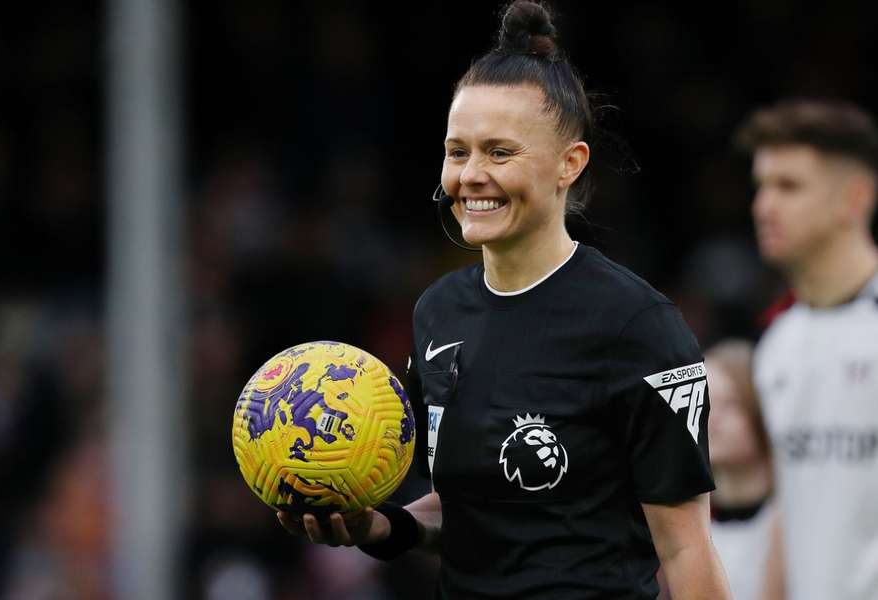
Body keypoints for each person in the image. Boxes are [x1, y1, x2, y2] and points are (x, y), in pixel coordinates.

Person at [277, 2, 731, 598]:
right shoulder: (437, 312)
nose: (470, 175)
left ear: (570, 164)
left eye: (499, 152)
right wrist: (377, 525)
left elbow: (684, 547)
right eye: (457, 151)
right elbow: (468, 513)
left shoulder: (638, 327)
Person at [733, 99, 878, 600]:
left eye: (788, 186)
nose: (763, 205)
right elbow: (790, 511)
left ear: (854, 199)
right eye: (761, 186)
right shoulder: (780, 343)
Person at [705, 339, 774, 600]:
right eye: (704, 404)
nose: (712, 419)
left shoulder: (791, 523)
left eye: (730, 404)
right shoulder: (683, 527)